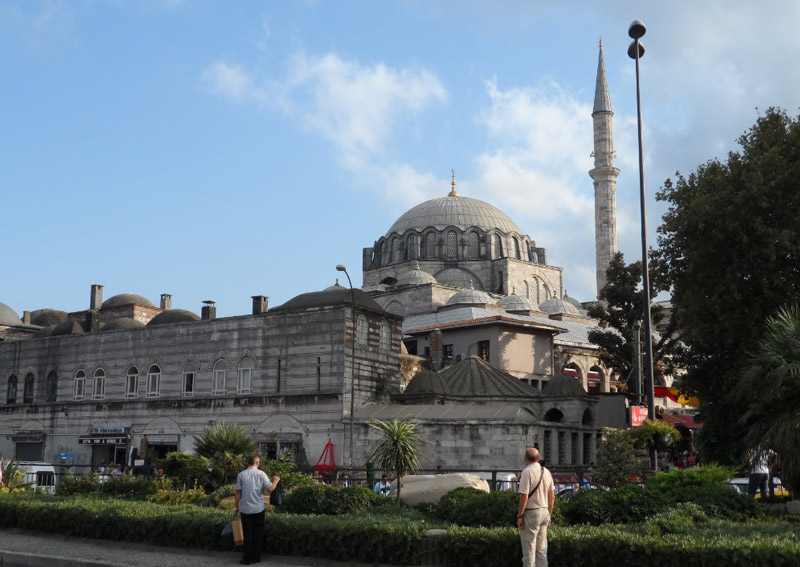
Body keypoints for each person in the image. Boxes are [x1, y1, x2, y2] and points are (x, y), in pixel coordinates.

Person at [234, 455, 280, 565]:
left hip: (245, 510)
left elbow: (238, 493)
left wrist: (236, 508)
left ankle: (247, 558)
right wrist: (276, 480)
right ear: (257, 463)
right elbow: (270, 489)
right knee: (258, 533)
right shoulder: (261, 474)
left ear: (248, 463)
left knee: (247, 534)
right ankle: (256, 557)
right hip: (258, 509)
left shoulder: (241, 475)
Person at [516, 447, 554, 567]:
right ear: (538, 458)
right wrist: (549, 514)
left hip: (531, 512)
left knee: (529, 552)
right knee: (542, 551)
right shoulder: (547, 472)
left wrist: (520, 515)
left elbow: (524, 497)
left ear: (525, 458)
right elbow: (552, 496)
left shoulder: (527, 472)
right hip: (544, 512)